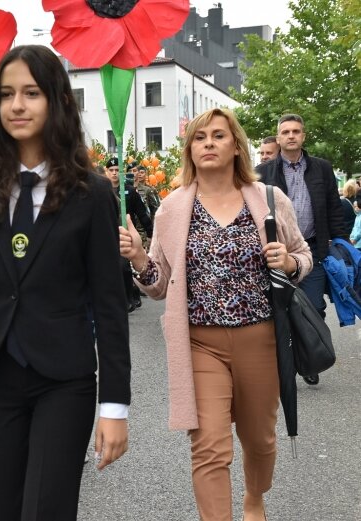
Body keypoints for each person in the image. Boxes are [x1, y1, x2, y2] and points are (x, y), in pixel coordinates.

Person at [0, 45, 131, 520]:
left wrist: (115, 406)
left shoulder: (91, 193)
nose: (17, 105)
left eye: (31, 93)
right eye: (8, 94)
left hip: (64, 380)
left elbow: (110, 306)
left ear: (56, 100)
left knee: (47, 510)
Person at [120, 107, 312, 521]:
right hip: (200, 343)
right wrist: (138, 256)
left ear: (235, 146)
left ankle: (255, 499)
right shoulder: (172, 209)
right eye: (200, 137)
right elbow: (157, 285)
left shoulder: (269, 199)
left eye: (219, 136)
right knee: (209, 445)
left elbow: (303, 255)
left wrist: (290, 263)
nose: (209, 142)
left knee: (259, 441)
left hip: (260, 338)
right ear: (190, 150)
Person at [256, 113, 345, 386]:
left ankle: (307, 357)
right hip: (275, 253)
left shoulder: (322, 168)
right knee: (277, 309)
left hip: (314, 250)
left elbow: (334, 208)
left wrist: (340, 243)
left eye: (296, 131)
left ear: (303, 136)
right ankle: (283, 358)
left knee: (315, 307)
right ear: (279, 137)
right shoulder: (263, 172)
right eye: (286, 132)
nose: (291, 135)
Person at [105, 157, 152, 312]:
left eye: (117, 170)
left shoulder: (130, 191)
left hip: (126, 233)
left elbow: (141, 213)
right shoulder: (101, 190)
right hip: (106, 234)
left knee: (124, 266)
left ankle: (130, 296)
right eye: (111, 170)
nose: (114, 173)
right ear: (106, 172)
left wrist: (150, 233)